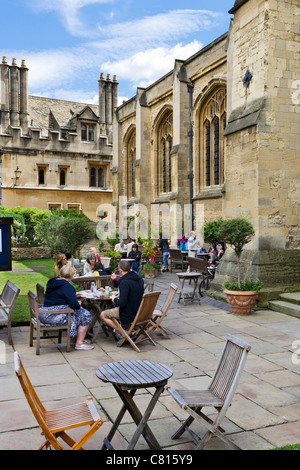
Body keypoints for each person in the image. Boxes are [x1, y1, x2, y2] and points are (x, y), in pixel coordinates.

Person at [39, 265, 94, 350]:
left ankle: (73, 340)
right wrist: (77, 302)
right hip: (53, 316)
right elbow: (74, 305)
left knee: (77, 314)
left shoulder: (53, 282)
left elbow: (58, 296)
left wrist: (73, 295)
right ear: (71, 276)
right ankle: (79, 343)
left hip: (44, 313)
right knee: (85, 315)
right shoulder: (67, 286)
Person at [100, 260, 144, 343]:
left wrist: (114, 299)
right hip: (140, 310)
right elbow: (133, 293)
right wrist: (121, 295)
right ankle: (128, 331)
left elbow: (122, 303)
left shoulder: (124, 282)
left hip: (129, 313)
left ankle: (124, 333)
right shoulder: (139, 279)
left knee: (103, 315)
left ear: (120, 270)